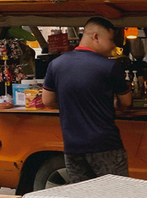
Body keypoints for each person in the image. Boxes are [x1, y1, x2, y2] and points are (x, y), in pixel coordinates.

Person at [42, 17, 132, 183]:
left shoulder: (56, 64)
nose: (113, 45)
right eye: (111, 40)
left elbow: (47, 100)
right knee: (116, 197)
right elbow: (126, 102)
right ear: (96, 37)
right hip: (105, 145)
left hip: (72, 146)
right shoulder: (110, 66)